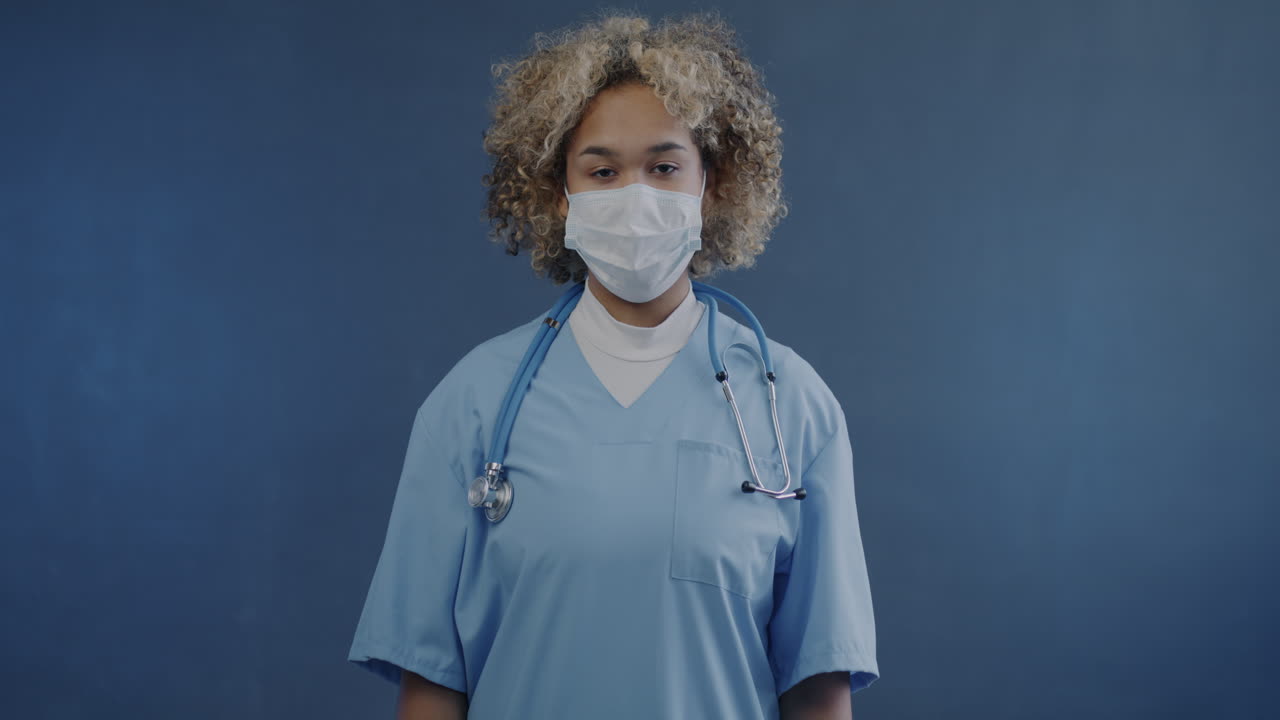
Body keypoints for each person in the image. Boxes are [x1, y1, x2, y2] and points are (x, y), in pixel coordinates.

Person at [347, 10, 879, 719]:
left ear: (710, 184)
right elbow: (431, 686)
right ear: (560, 193)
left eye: (664, 167)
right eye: (602, 170)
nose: (635, 197)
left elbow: (817, 688)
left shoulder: (790, 407)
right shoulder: (474, 404)